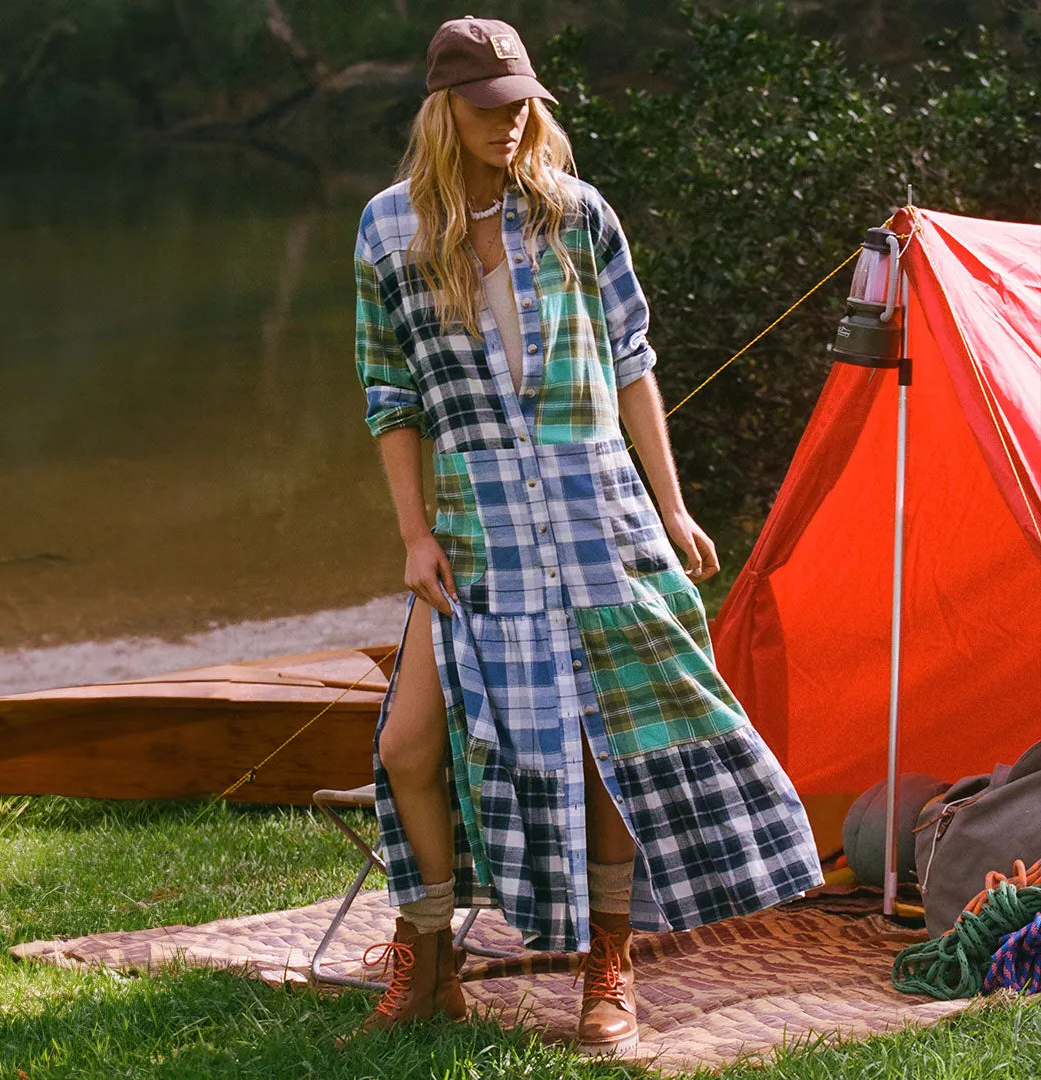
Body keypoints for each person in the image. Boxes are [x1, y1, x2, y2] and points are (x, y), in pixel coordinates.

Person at [345, 15, 823, 1056]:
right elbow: (390, 397)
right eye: (488, 107)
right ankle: (431, 966)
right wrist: (413, 534)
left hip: (598, 518)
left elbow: (634, 360)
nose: (511, 123)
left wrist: (673, 504)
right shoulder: (388, 231)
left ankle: (611, 966)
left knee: (609, 747)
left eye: (523, 104)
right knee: (408, 745)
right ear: (443, 110)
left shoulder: (577, 215)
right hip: (479, 535)